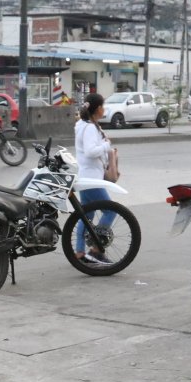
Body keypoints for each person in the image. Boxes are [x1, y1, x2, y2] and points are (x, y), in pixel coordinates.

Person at [73, 93, 119, 265]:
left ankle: (79, 252)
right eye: (103, 106)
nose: (104, 109)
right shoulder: (90, 128)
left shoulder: (82, 124)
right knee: (111, 210)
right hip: (91, 178)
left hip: (86, 176)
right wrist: (106, 145)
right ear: (97, 108)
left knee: (87, 215)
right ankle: (96, 249)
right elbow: (91, 151)